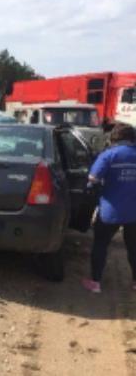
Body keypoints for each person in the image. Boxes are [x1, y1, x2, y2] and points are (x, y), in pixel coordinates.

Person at [82, 122, 136, 293]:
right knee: (134, 247)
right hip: (134, 212)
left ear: (114, 137)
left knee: (100, 244)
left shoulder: (109, 155)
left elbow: (92, 178)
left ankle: (95, 282)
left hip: (110, 211)